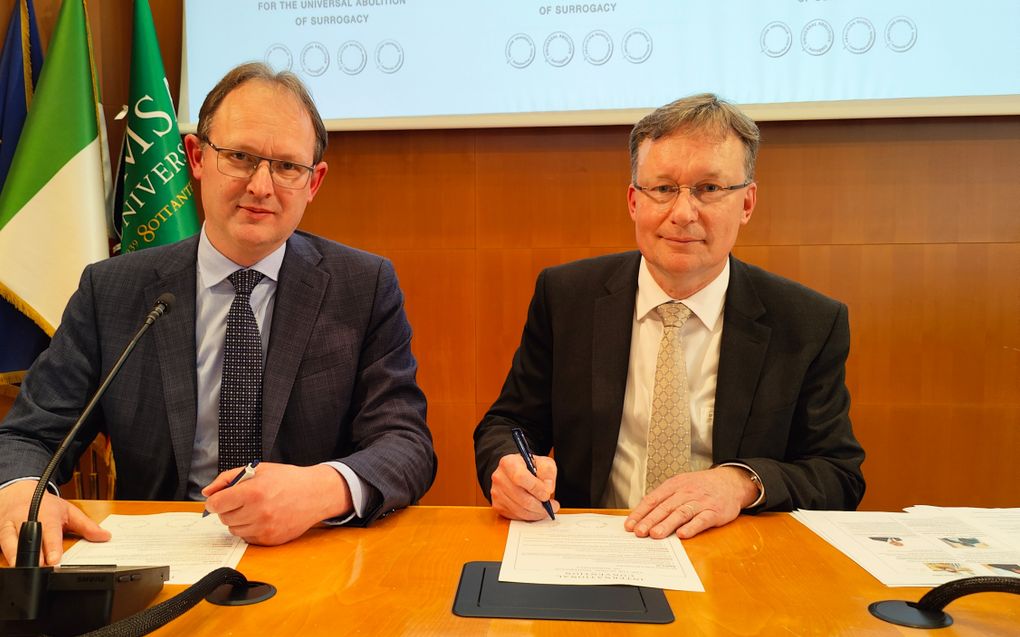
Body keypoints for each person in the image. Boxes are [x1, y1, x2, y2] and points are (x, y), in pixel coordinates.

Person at [0, 62, 436, 566]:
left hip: (312, 552)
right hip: (155, 560)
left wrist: (322, 489)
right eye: (240, 157)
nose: (261, 185)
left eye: (287, 167)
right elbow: (31, 433)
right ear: (196, 157)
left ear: (314, 183)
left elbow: (406, 444)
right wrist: (21, 490)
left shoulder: (362, 286)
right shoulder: (114, 290)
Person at [474, 93, 865, 540]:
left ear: (747, 203)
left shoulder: (808, 321)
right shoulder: (567, 297)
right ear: (633, 201)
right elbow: (508, 424)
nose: (682, 213)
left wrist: (741, 483)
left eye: (710, 189)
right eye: (662, 189)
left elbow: (838, 475)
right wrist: (507, 468)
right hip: (593, 546)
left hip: (732, 555)